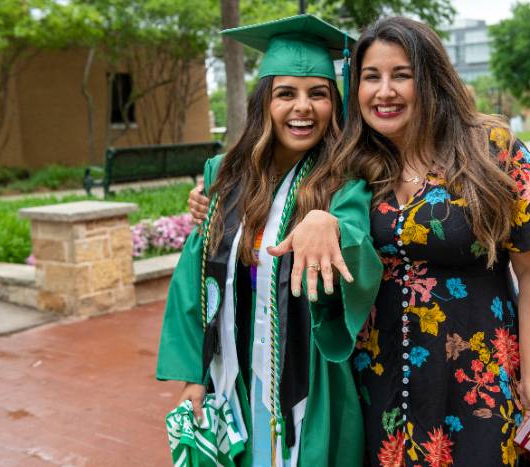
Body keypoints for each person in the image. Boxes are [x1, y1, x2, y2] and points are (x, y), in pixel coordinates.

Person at [190, 16, 530, 467]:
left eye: (401, 75)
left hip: (476, 378)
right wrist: (215, 203)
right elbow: (277, 202)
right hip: (379, 384)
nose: (384, 91)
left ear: (430, 79)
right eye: (371, 78)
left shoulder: (492, 150)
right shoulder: (354, 164)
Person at [157, 15, 382, 467]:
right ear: (264, 102)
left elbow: (358, 245)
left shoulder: (344, 179)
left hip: (309, 377)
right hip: (234, 373)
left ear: (333, 104)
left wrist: (330, 224)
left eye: (318, 93)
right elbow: (194, 278)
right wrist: (195, 375)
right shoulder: (224, 174)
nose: (303, 107)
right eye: (286, 94)